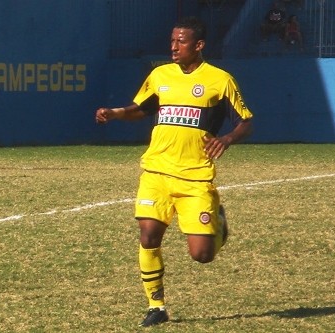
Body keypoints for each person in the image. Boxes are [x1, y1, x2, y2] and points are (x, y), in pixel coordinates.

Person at [95, 16, 253, 327]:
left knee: (202, 255)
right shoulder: (159, 75)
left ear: (199, 45)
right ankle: (157, 306)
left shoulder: (219, 80)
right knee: (148, 235)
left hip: (195, 177)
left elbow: (245, 121)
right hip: (156, 171)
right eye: (172, 41)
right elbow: (141, 108)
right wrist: (114, 113)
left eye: (181, 41)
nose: (174, 46)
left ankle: (217, 221)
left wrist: (227, 138)